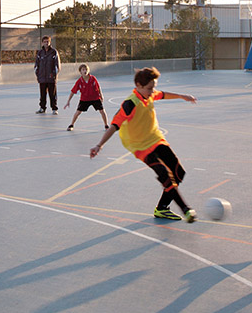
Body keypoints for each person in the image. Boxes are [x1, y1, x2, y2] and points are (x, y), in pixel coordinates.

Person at [89, 67, 198, 222]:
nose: (152, 91)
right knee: (164, 174)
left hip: (155, 138)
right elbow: (114, 125)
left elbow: (163, 94)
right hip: (139, 146)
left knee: (179, 173)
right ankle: (186, 209)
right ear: (138, 85)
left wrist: (182, 96)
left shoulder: (149, 94)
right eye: (149, 88)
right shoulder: (130, 104)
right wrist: (99, 145)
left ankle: (161, 209)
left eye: (153, 87)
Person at [63, 64, 109, 131]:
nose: (85, 71)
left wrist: (101, 95)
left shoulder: (93, 78)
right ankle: (71, 125)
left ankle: (106, 125)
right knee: (78, 112)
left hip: (95, 98)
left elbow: (98, 87)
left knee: (102, 111)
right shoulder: (79, 81)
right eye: (83, 69)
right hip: (84, 99)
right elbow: (73, 91)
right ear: (80, 72)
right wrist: (68, 101)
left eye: (86, 69)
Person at [34, 35, 61, 114]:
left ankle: (54, 109)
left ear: (50, 42)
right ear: (42, 43)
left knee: (52, 94)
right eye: (45, 42)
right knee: (42, 95)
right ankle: (42, 108)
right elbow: (36, 65)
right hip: (42, 78)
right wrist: (38, 75)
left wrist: (54, 75)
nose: (46, 43)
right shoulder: (40, 53)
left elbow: (57, 65)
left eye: (47, 42)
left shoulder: (54, 52)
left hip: (51, 78)